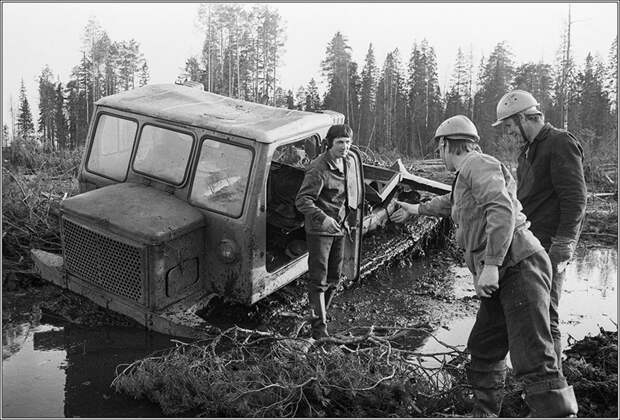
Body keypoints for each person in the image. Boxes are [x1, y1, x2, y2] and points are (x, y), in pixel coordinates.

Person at [391, 115, 578, 417]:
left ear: (445, 144)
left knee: (533, 356)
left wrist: (491, 264)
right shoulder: (468, 174)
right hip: (507, 270)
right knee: (484, 347)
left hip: (518, 265)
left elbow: (500, 207)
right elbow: (453, 204)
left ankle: (558, 414)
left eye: (439, 149)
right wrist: (416, 209)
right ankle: (485, 413)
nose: (440, 155)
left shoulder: (477, 165)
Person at [492, 90, 587, 370]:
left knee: (547, 316)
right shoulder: (528, 151)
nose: (508, 134)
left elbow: (576, 198)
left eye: (510, 127)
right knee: (531, 314)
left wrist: (564, 244)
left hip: (551, 245)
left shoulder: (560, 142)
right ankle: (536, 378)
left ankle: (553, 386)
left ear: (524, 118)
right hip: (531, 244)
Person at [295, 124, 358, 340]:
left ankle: (318, 316)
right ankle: (319, 330)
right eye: (340, 142)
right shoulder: (318, 168)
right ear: (330, 143)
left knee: (334, 276)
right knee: (318, 279)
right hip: (320, 230)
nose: (345, 146)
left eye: (348, 142)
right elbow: (302, 201)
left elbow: (350, 191)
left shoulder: (348, 162)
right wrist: (324, 219)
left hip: (339, 226)